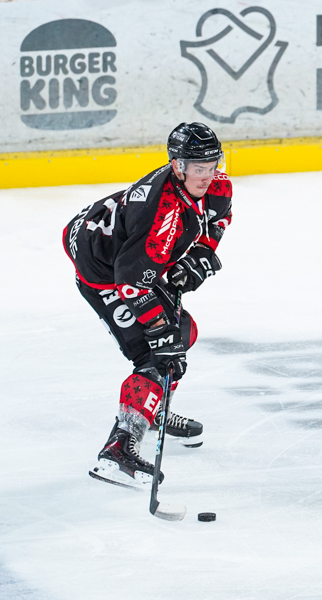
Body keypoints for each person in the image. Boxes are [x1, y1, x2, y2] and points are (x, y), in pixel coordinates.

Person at [63, 122, 233, 487]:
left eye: (212, 164)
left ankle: (150, 411)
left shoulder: (217, 185)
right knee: (157, 355)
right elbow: (129, 281)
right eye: (198, 167)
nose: (207, 175)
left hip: (133, 260)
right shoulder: (160, 214)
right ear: (177, 166)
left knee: (182, 333)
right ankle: (118, 450)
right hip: (105, 273)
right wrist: (158, 329)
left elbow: (217, 220)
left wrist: (202, 253)